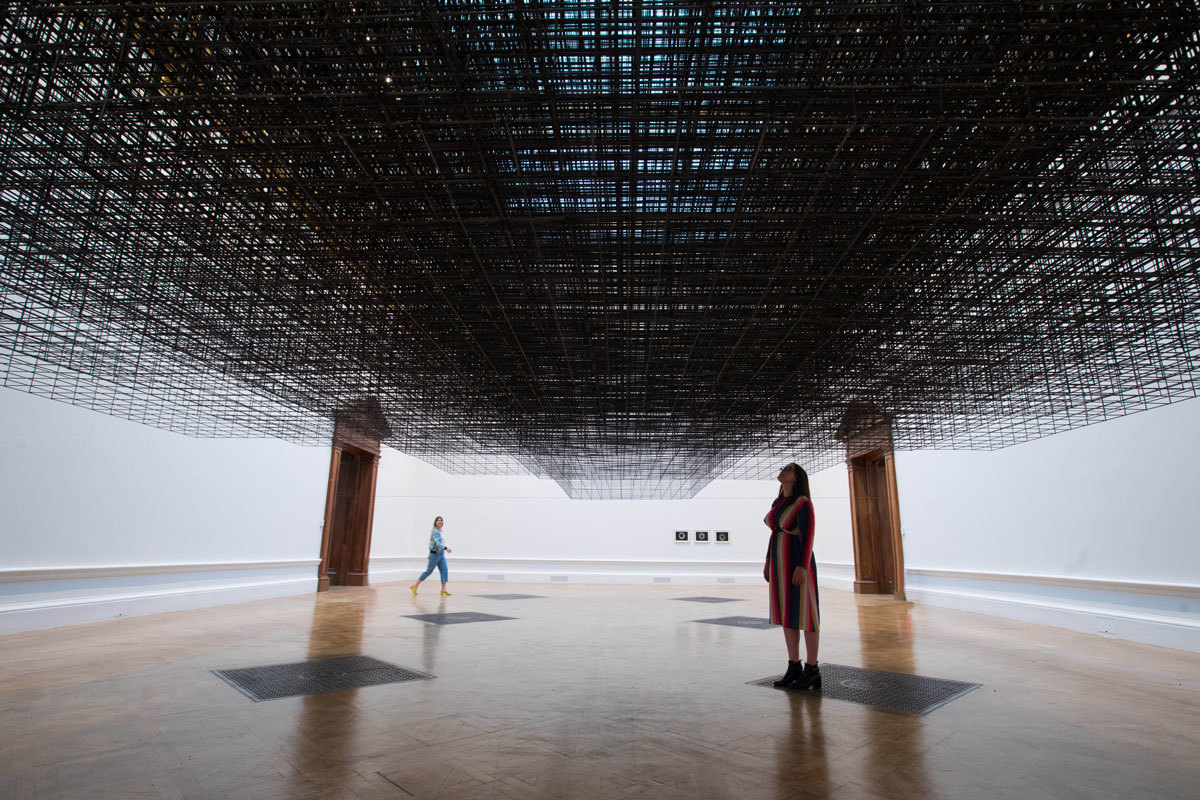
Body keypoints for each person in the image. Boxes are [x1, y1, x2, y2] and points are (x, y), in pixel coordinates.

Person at [763, 463, 821, 690]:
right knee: (787, 613)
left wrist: (803, 565)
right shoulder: (778, 503)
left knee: (806, 613)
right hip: (779, 564)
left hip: (797, 562)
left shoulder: (803, 503)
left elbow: (808, 535)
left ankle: (812, 668)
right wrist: (768, 561)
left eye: (788, 469)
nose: (782, 471)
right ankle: (793, 665)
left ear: (796, 478)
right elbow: (774, 535)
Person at [410, 516, 452, 596]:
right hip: (435, 554)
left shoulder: (441, 531)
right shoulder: (434, 531)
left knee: (444, 570)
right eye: (438, 521)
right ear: (435, 522)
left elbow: (432, 543)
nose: (439, 522)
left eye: (441, 521)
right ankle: (415, 585)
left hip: (441, 554)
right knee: (428, 571)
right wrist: (445, 548)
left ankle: (443, 589)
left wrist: (442, 550)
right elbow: (436, 542)